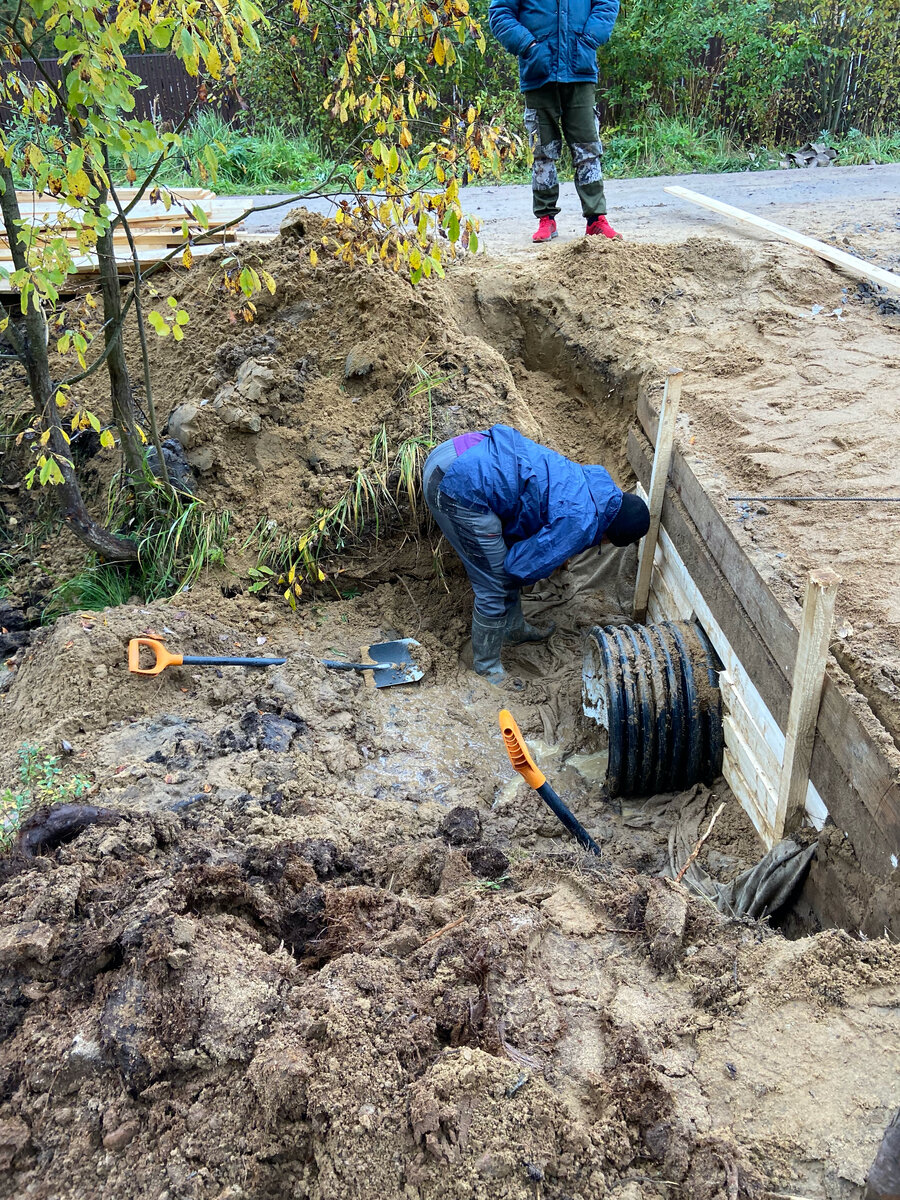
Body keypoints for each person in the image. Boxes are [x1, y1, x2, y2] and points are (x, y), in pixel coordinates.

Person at [423, 424, 650, 683]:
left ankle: (513, 629)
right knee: (494, 583)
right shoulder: (582, 522)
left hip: (460, 450)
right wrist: (549, 560)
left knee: (499, 559)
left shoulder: (597, 485)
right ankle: (486, 669)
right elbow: (519, 567)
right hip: (457, 484)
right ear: (610, 537)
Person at [488, 0, 621, 244]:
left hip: (579, 67)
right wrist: (528, 46)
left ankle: (596, 220)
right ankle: (546, 218)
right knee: (542, 150)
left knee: (587, 147)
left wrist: (589, 39)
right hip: (538, 70)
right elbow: (500, 13)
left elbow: (607, 4)